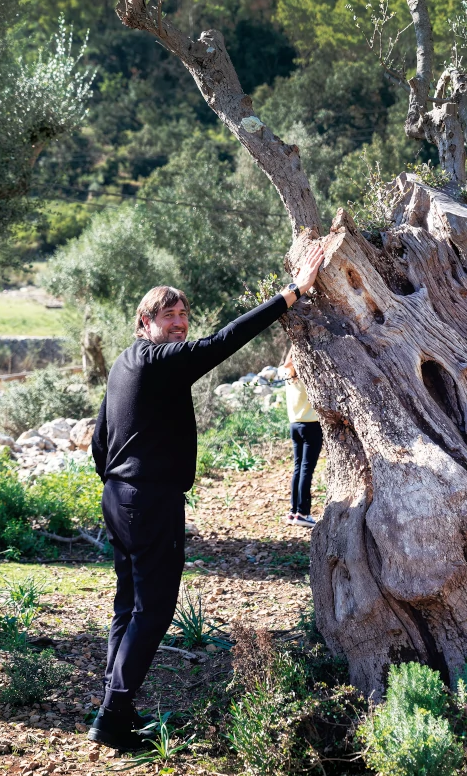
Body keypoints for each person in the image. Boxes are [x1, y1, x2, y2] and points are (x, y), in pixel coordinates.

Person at [88, 243, 324, 750]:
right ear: (143, 322)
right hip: (149, 499)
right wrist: (293, 294)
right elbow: (225, 341)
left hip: (120, 496)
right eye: (167, 315)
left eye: (182, 314)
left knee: (128, 604)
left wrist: (119, 485)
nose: (178, 323)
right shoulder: (160, 360)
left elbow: (98, 440)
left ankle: (111, 709)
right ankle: (113, 716)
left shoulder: (126, 364)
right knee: (153, 609)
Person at [281, 346, 323, 528]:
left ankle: (293, 511)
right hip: (311, 425)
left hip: (294, 424)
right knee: (306, 469)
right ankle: (303, 513)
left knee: (298, 468)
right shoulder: (309, 375)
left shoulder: (286, 374)